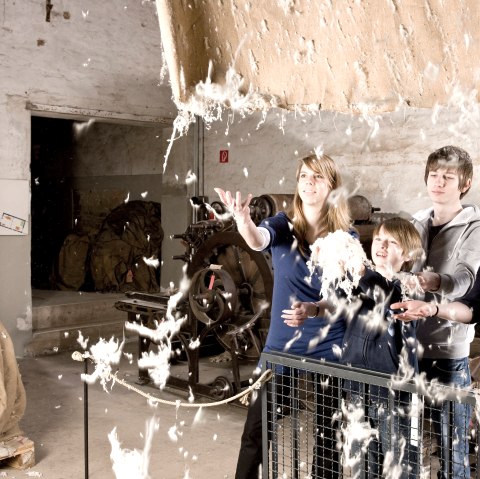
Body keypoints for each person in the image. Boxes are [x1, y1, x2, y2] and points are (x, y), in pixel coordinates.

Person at [215, 153, 354, 479]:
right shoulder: (282, 224)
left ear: (332, 185)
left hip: (327, 345)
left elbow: (342, 299)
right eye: (304, 176)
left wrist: (315, 308)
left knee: (328, 435)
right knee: (256, 429)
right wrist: (244, 222)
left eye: (318, 177)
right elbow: (257, 239)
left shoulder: (345, 239)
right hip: (282, 346)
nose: (309, 182)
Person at [285, 217, 424, 478]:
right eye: (379, 239)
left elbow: (384, 295)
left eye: (392, 243)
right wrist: (313, 306)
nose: (381, 245)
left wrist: (359, 270)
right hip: (358, 386)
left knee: (401, 462)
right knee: (364, 463)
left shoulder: (408, 285)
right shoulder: (360, 282)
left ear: (407, 255)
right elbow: (336, 303)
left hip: (396, 393)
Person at [408, 145, 480, 479]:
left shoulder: (474, 226)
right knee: (410, 446)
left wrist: (437, 282)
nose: (438, 182)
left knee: (453, 452)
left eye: (447, 177)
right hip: (409, 351)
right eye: (434, 175)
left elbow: (466, 277)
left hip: (448, 357)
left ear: (464, 184)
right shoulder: (416, 222)